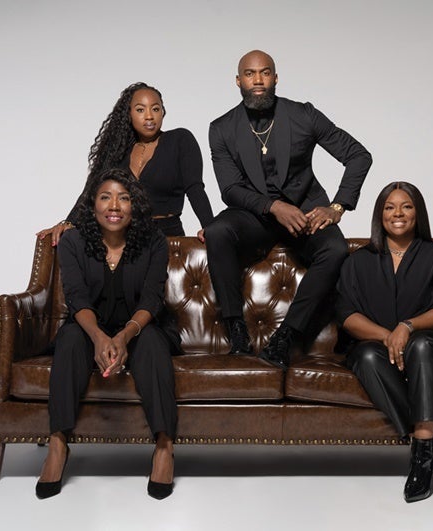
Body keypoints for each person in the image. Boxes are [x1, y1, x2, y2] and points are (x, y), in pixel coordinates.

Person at [204, 50, 372, 368]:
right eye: (250, 74)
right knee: (217, 231)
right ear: (238, 81)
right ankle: (237, 333)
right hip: (254, 216)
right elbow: (230, 189)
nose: (258, 80)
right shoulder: (222, 129)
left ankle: (286, 338)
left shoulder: (303, 115)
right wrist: (273, 206)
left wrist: (337, 206)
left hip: (306, 212)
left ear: (275, 78)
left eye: (265, 73)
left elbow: (358, 155)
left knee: (335, 249)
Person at [36, 168, 178, 500]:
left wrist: (124, 336)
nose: (114, 205)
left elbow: (152, 299)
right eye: (105, 197)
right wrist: (100, 337)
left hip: (140, 326)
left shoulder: (154, 241)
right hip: (89, 326)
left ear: (135, 205)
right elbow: (77, 297)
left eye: (124, 198)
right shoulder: (73, 241)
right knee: (70, 339)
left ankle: (164, 446)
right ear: (93, 205)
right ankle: (58, 444)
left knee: (154, 344)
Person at [336, 182, 433, 502]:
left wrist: (408, 328)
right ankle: (430, 452)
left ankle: (420, 458)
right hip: (376, 348)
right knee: (366, 356)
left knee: (421, 345)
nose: (398, 213)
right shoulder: (358, 260)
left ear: (417, 212)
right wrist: (389, 336)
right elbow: (346, 314)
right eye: (389, 207)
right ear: (379, 215)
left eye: (406, 206)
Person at [38, 82, 213, 244]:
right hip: (121, 239)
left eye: (155, 109)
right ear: (129, 114)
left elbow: (195, 188)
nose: (149, 116)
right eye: (140, 110)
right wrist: (69, 222)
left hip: (164, 236)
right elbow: (91, 191)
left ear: (163, 112)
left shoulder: (180, 140)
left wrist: (210, 227)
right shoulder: (119, 151)